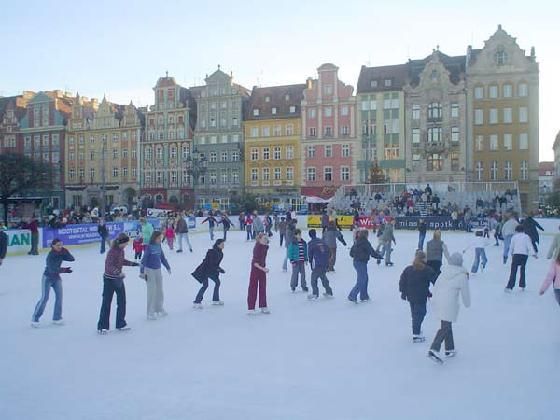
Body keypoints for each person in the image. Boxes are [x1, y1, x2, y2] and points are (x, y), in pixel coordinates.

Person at [428, 252, 471, 364]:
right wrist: (467, 303)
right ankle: (434, 348)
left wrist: (434, 300)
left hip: (439, 300)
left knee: (446, 323)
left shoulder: (444, 272)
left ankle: (449, 349)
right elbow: (465, 292)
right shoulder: (462, 275)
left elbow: (436, 285)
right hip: (449, 302)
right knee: (446, 326)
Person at [97, 233, 139, 334]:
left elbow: (121, 261)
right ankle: (102, 326)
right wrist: (118, 272)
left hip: (118, 280)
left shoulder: (121, 251)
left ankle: (120, 323)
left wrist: (133, 264)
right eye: (125, 243)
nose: (126, 245)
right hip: (109, 280)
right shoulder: (112, 252)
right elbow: (108, 266)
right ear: (121, 242)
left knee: (122, 301)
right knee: (106, 303)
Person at [31, 239, 75, 327]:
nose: (60, 247)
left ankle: (57, 317)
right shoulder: (50, 256)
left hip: (56, 278)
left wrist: (65, 251)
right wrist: (65, 270)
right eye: (58, 245)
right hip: (47, 278)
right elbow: (52, 269)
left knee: (59, 298)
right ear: (53, 246)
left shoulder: (61, 252)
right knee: (44, 298)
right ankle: (35, 318)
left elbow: (71, 259)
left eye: (61, 245)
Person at [399, 250, 437, 343]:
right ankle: (416, 333)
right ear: (423, 259)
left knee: (415, 313)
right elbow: (436, 280)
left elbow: (402, 282)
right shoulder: (427, 270)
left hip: (411, 295)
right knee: (420, 313)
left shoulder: (408, 269)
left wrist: (403, 293)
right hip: (420, 296)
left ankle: (417, 329)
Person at [140, 231, 171, 320]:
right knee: (152, 291)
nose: (160, 240)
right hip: (149, 271)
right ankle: (150, 312)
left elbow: (162, 258)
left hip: (158, 270)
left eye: (161, 238)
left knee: (159, 291)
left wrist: (168, 267)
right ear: (154, 238)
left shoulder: (159, 246)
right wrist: (142, 271)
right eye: (158, 238)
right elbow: (144, 260)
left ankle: (159, 308)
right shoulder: (149, 247)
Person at [348, 230, 381, 303]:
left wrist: (356, 255)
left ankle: (364, 296)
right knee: (362, 280)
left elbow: (351, 253)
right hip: (361, 263)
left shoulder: (357, 242)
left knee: (365, 279)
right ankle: (352, 295)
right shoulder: (365, 242)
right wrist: (379, 256)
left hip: (356, 262)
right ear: (366, 235)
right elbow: (372, 252)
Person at [192, 239, 226, 308]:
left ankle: (215, 299)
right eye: (222, 244)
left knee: (217, 282)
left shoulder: (221, 254)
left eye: (223, 244)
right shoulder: (211, 252)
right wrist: (218, 269)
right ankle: (197, 301)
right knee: (205, 285)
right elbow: (210, 263)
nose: (223, 245)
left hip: (211, 271)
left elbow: (216, 264)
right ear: (218, 245)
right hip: (204, 270)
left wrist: (219, 269)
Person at [505, 225, 538, 292]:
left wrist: (511, 254)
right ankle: (522, 285)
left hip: (516, 254)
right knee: (522, 270)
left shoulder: (514, 237)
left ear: (516, 230)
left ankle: (510, 286)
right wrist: (533, 254)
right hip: (524, 255)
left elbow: (511, 246)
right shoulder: (526, 237)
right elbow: (529, 246)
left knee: (513, 271)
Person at [247, 233, 270, 314]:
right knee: (253, 287)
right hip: (255, 269)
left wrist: (263, 268)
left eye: (266, 238)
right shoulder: (257, 248)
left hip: (262, 269)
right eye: (264, 238)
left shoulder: (266, 246)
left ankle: (263, 306)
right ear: (259, 239)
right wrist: (263, 269)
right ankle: (251, 307)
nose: (266, 240)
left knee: (263, 287)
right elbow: (255, 263)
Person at [307, 229, 333, 299]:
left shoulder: (311, 243)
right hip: (325, 262)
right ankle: (329, 292)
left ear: (309, 235)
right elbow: (329, 251)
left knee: (313, 278)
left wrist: (310, 263)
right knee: (323, 276)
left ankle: (315, 293)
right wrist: (327, 260)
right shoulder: (322, 241)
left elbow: (310, 255)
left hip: (318, 263)